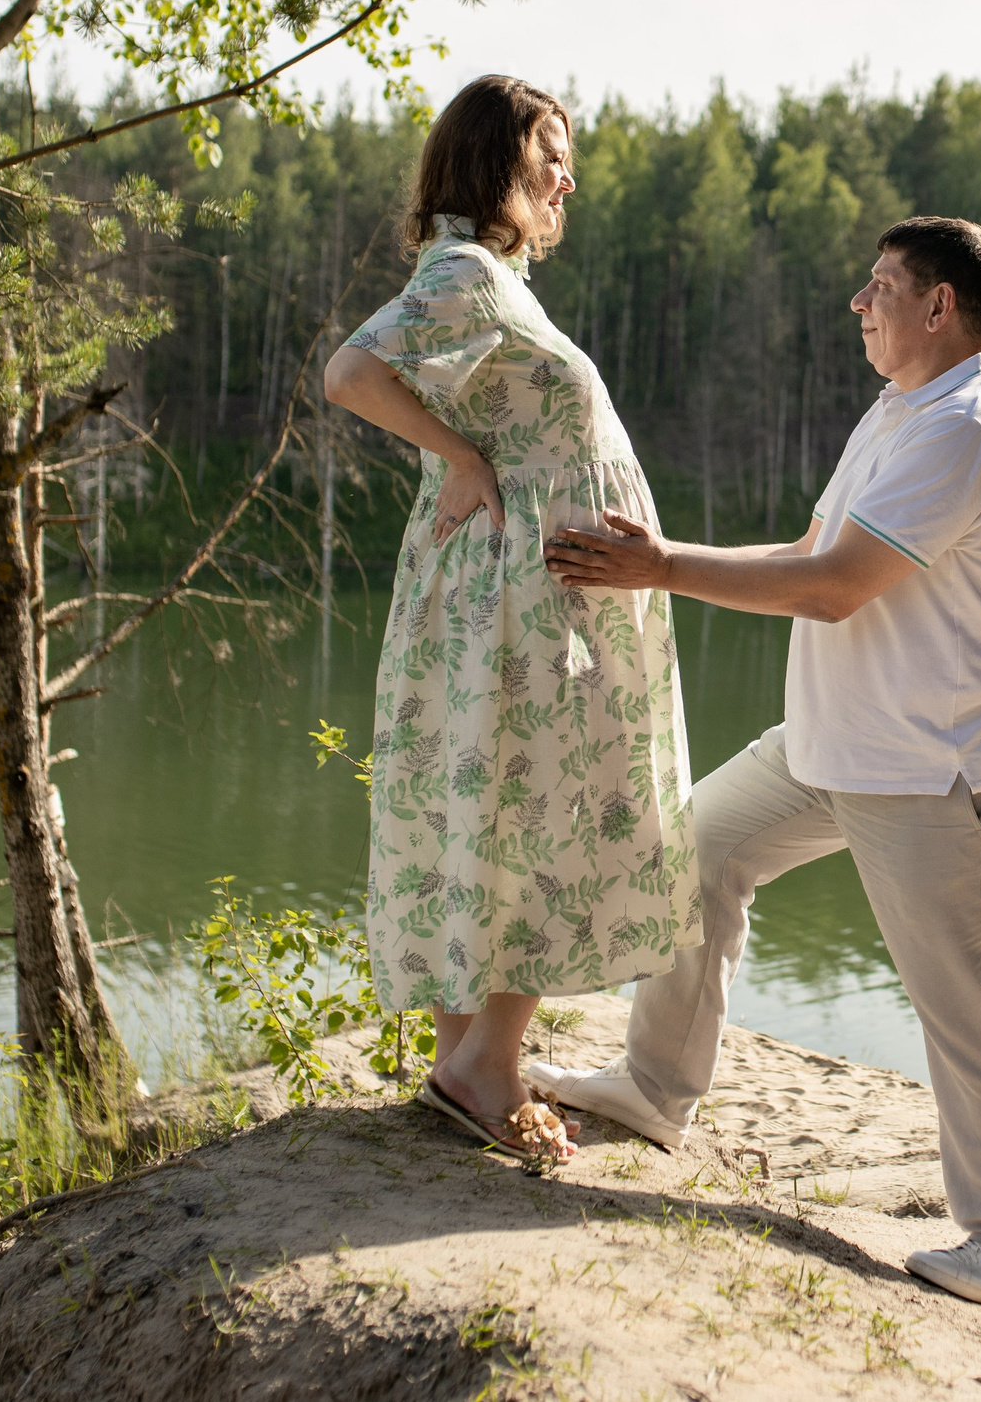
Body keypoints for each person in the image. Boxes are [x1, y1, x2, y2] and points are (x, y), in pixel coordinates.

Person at [537, 216, 981, 1312]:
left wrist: (661, 569)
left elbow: (832, 587)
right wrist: (660, 565)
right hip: (838, 745)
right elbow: (810, 555)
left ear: (939, 308)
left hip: (933, 769)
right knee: (696, 849)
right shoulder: (901, 412)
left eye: (879, 288)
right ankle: (651, 1088)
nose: (858, 306)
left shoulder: (964, 428)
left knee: (959, 1002)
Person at [324, 74, 699, 1166]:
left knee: (490, 805)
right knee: (548, 805)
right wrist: (464, 456)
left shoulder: (491, 280)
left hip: (514, 593)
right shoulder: (466, 273)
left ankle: (469, 1063)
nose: (565, 176)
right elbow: (349, 372)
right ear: (494, 160)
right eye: (548, 153)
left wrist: (472, 454)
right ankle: (484, 1061)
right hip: (523, 604)